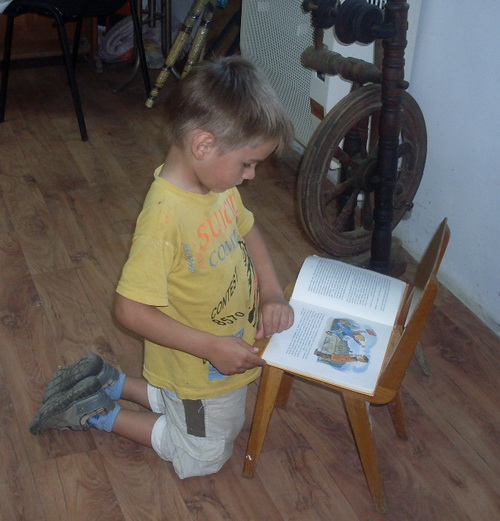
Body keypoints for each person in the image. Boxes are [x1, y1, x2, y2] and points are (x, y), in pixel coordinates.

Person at [29, 56, 295, 479]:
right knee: (204, 455)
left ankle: (113, 382)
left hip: (213, 358)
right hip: (198, 365)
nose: (251, 176)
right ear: (203, 145)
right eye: (247, 163)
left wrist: (273, 292)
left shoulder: (217, 187)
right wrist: (211, 348)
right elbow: (129, 310)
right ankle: (97, 412)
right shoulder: (165, 218)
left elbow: (247, 229)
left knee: (221, 416)